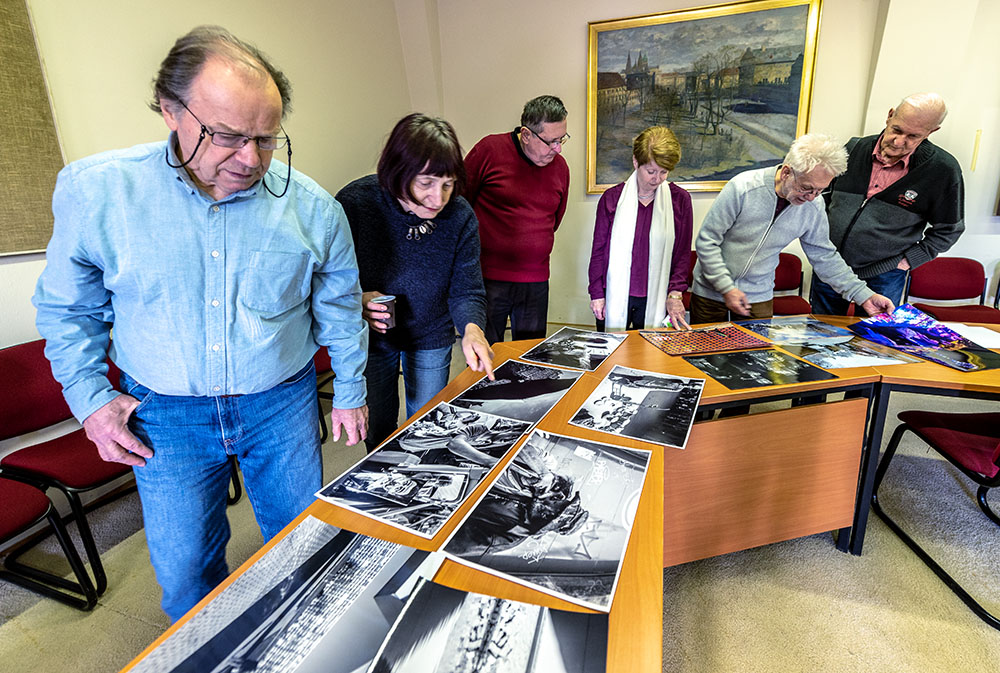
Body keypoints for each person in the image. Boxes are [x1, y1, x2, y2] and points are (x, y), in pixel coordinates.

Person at [32, 26, 369, 621]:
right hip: (163, 412)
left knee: (305, 547)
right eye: (228, 136)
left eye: (266, 139)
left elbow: (340, 308)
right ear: (170, 109)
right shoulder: (98, 193)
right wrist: (89, 399)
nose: (250, 159)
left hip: (280, 403)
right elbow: (68, 309)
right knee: (187, 570)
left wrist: (348, 389)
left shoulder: (315, 210)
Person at [336, 114, 494, 452]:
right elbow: (325, 282)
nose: (438, 199)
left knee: (428, 424)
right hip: (373, 337)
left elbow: (466, 287)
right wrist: (357, 301)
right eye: (426, 183)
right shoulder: (355, 204)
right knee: (378, 427)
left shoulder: (461, 215)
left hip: (432, 333)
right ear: (396, 172)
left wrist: (471, 328)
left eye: (448, 184)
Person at [690, 134, 895, 325]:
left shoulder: (813, 206)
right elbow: (707, 241)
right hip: (710, 293)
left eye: (820, 190)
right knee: (701, 359)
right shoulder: (743, 187)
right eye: (806, 187)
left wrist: (864, 295)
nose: (812, 197)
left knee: (753, 360)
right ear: (787, 172)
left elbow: (824, 256)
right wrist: (726, 287)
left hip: (758, 297)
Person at [811, 93, 965, 314]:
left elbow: (950, 229)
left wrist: (906, 262)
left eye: (913, 136)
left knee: (875, 342)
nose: (899, 141)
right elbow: (824, 194)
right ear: (890, 116)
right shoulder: (855, 149)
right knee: (820, 332)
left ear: (932, 132)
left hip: (885, 274)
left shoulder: (942, 170)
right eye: (897, 130)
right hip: (832, 266)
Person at [465, 95, 571, 343]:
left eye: (562, 139)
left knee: (530, 356)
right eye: (551, 141)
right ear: (526, 134)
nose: (558, 148)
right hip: (488, 278)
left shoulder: (561, 168)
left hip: (535, 280)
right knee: (485, 352)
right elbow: (460, 203)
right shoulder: (489, 150)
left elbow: (555, 218)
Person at [588, 126, 693, 331]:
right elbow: (598, 252)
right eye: (651, 171)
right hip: (614, 294)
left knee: (650, 359)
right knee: (610, 355)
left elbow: (681, 255)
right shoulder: (612, 199)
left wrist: (675, 293)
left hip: (657, 296)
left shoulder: (679, 200)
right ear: (636, 162)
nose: (657, 179)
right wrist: (596, 294)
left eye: (664, 172)